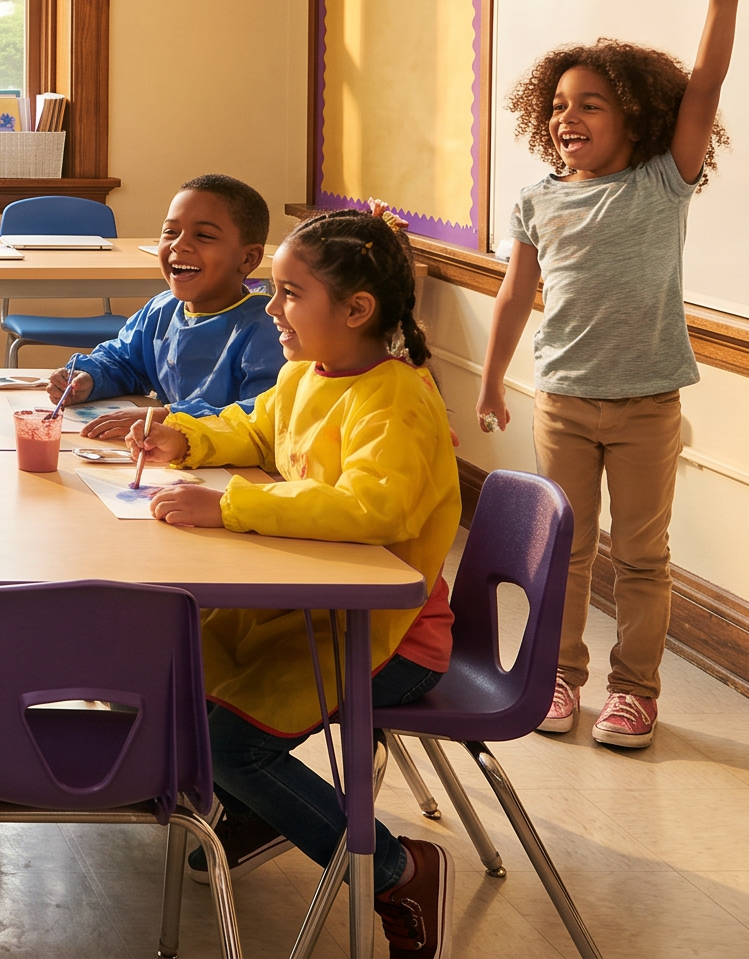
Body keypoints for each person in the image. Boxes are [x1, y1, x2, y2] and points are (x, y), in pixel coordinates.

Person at [126, 208, 461, 959]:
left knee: (230, 746)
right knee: (176, 661)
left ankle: (398, 871)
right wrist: (187, 436)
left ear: (356, 309)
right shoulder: (305, 374)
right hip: (308, 608)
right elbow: (254, 428)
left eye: (289, 293)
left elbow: (371, 508)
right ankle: (262, 809)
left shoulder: (399, 399)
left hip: (391, 635)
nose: (270, 307)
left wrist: (230, 506)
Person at [476, 0, 749, 749]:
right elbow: (514, 295)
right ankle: (558, 679)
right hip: (564, 400)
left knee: (642, 557)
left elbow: (704, 86)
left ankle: (634, 692)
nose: (568, 117)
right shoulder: (537, 198)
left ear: (636, 118)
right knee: (563, 551)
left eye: (591, 105)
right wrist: (492, 380)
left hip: (647, 404)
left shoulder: (661, 182)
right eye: (558, 105)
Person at [56, 174, 287, 438]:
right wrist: (90, 380)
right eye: (171, 232)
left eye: (203, 235)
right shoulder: (162, 310)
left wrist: (170, 417)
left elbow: (264, 414)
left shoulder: (268, 328)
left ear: (248, 258)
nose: (179, 245)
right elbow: (124, 362)